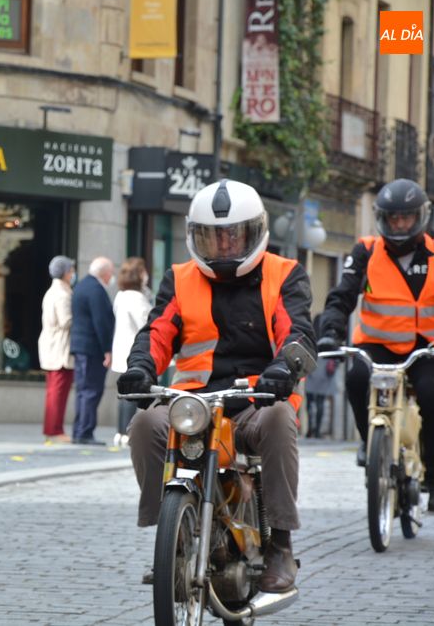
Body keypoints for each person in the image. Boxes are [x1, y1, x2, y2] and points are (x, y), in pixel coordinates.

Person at [118, 180, 314, 593]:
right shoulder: (179, 278)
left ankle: (280, 541)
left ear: (255, 232)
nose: (224, 246)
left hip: (258, 400)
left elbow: (296, 332)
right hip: (194, 400)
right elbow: (156, 332)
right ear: (195, 236)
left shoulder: (285, 275)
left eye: (233, 235)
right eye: (212, 236)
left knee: (281, 420)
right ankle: (169, 538)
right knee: (144, 425)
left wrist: (283, 369)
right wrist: (140, 368)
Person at [317, 178, 434, 511]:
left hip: (427, 347)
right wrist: (329, 330)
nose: (399, 224)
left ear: (420, 218)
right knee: (356, 378)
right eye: (393, 218)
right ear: (383, 219)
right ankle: (368, 440)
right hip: (376, 344)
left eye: (406, 218)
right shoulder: (366, 250)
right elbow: (342, 296)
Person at [70, 256, 116, 445]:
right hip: (92, 348)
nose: (111, 277)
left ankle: (79, 430)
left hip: (81, 347)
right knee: (91, 391)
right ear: (105, 273)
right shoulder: (96, 290)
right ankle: (85, 431)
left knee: (83, 390)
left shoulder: (81, 285)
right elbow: (101, 322)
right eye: (111, 273)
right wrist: (107, 349)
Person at [110, 257, 153, 447]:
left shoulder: (121, 295)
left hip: (122, 347)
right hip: (135, 349)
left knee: (124, 394)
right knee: (132, 393)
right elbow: (146, 325)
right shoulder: (137, 299)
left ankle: (120, 431)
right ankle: (126, 431)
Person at [38, 255, 76, 443]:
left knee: (55, 391)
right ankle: (54, 430)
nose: (72, 274)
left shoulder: (56, 291)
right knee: (57, 392)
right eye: (70, 270)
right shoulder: (61, 294)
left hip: (54, 346)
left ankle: (52, 429)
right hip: (59, 348)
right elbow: (66, 320)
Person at [305, 314, 338, 439]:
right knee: (320, 402)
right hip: (324, 369)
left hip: (313, 366)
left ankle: (310, 429)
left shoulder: (313, 330)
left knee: (310, 402)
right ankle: (317, 431)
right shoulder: (329, 331)